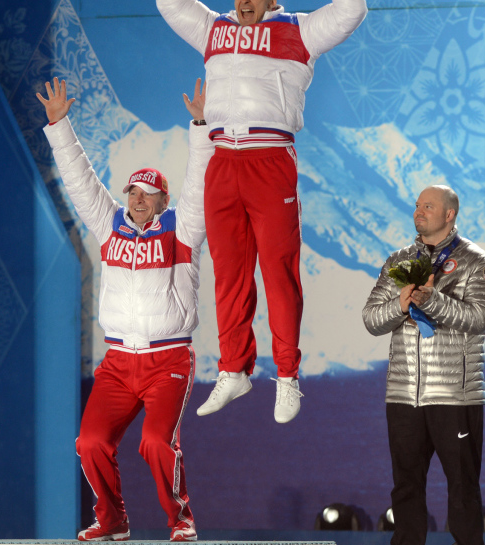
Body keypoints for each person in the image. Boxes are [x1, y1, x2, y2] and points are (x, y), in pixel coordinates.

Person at [157, 0, 367, 423]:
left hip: (269, 160)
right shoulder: (213, 29)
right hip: (221, 161)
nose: (244, 3)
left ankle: (287, 376)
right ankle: (233, 370)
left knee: (278, 273)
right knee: (229, 275)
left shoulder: (300, 30)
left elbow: (351, 10)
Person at [38, 77, 214, 542]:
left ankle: (180, 519)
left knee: (155, 442)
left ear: (163, 200)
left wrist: (200, 127)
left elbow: (200, 186)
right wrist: (59, 126)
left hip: (167, 361)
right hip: (118, 362)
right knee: (90, 442)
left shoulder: (183, 230)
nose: (137, 198)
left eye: (147, 192)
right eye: (132, 191)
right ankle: (113, 519)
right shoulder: (109, 225)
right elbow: (81, 181)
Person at [362, 185, 485, 545]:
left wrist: (431, 300)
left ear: (450, 214)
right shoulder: (398, 260)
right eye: (418, 205)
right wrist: (402, 304)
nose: (419, 211)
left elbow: (479, 318)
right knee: (405, 484)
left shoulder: (476, 261)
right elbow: (371, 319)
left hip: (455, 393)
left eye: (428, 206)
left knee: (462, 484)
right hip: (403, 392)